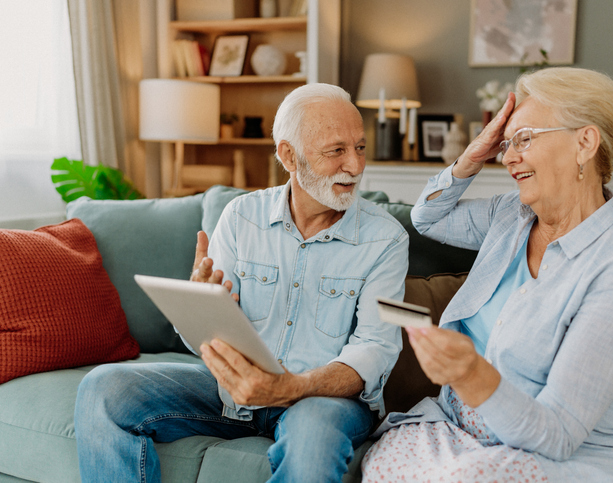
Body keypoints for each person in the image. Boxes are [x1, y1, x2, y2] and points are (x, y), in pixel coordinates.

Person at [74, 83, 409, 482]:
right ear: (288, 155)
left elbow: (377, 349)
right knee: (104, 389)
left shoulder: (387, 238)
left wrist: (289, 387)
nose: (354, 166)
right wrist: (201, 305)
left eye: (360, 147)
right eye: (336, 150)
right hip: (232, 389)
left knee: (312, 440)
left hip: (323, 399)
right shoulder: (241, 217)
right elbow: (205, 339)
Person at [362, 67, 613, 482]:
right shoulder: (512, 215)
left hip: (561, 457)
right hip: (457, 426)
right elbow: (427, 217)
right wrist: (473, 155)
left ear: (585, 142)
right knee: (381, 460)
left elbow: (558, 434)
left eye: (523, 139)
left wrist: (470, 374)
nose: (507, 157)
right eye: (506, 143)